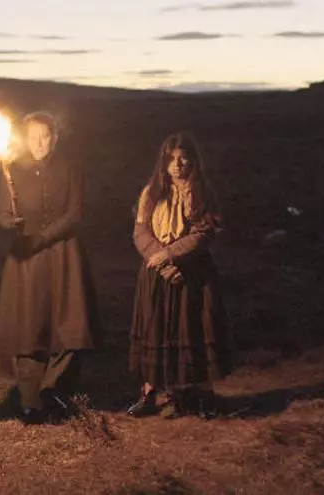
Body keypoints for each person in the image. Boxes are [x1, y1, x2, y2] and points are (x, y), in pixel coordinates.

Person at [0, 111, 99, 425]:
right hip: (26, 260)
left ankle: (53, 390)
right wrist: (11, 223)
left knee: (69, 326)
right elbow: (1, 214)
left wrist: (43, 238)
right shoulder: (12, 170)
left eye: (45, 136)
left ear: (55, 138)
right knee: (27, 328)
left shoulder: (71, 169)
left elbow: (74, 214)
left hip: (64, 256)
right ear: (25, 139)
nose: (38, 143)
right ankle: (30, 401)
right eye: (33, 136)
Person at [127, 131, 232, 419]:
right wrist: (162, 262)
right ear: (164, 162)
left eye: (183, 158)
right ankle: (149, 393)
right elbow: (140, 232)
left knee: (194, 329)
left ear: (193, 161)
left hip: (192, 273)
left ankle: (202, 395)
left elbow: (204, 233)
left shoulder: (203, 194)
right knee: (156, 328)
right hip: (157, 273)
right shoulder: (151, 193)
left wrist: (172, 255)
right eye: (171, 159)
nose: (178, 164)